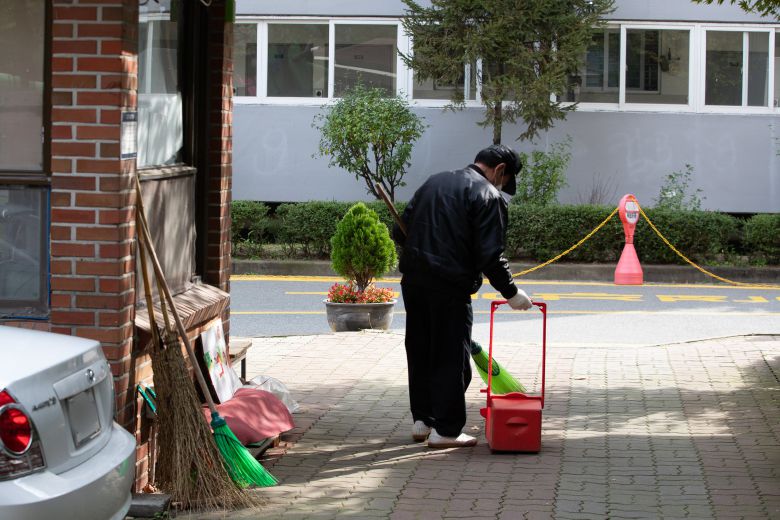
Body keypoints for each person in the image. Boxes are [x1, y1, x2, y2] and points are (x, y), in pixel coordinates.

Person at [392, 144, 533, 449]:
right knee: (451, 357)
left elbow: (398, 231)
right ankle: (447, 430)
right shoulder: (488, 196)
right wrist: (511, 292)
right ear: (499, 171)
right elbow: (491, 255)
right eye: (504, 181)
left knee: (420, 348)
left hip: (414, 280)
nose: (502, 186)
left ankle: (423, 420)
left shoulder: (435, 181)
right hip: (449, 287)